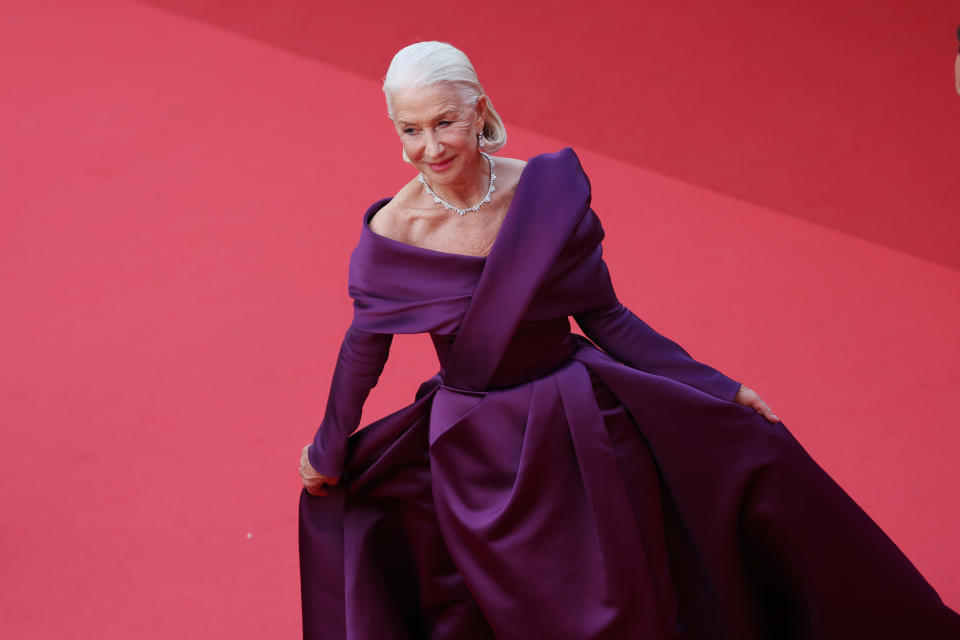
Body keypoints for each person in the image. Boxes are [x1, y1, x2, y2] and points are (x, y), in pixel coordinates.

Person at [298, 41, 960, 639]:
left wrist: (719, 388)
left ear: (480, 112)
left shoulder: (546, 195)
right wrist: (327, 451)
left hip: (581, 425)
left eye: (444, 122)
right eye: (409, 129)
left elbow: (607, 318)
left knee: (627, 599)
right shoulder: (395, 231)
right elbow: (365, 351)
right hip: (477, 452)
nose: (430, 147)